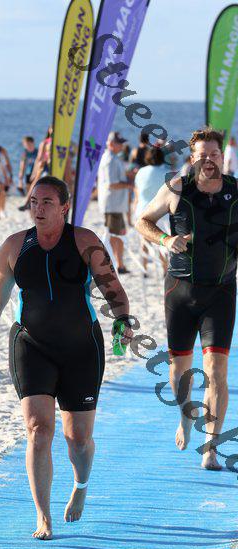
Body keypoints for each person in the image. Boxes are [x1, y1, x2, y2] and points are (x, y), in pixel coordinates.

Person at [0, 176, 132, 539]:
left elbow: (112, 287)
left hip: (82, 348)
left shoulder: (85, 241)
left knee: (78, 439)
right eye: (33, 202)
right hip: (31, 345)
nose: (38, 208)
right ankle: (43, 515)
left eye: (47, 202)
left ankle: (80, 484)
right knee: (38, 429)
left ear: (64, 207)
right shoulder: (15, 246)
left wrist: (123, 319)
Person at [135, 127, 238, 470]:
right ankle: (185, 417)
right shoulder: (176, 189)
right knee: (180, 371)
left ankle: (211, 446)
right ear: (192, 158)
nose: (209, 160)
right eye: (202, 155)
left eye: (214, 154)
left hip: (221, 292)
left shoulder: (236, 192)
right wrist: (165, 240)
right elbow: (143, 221)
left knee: (217, 370)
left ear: (222, 156)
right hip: (179, 291)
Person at [98, 131, 134, 274]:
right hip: (112, 204)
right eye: (119, 143)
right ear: (111, 144)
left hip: (115, 205)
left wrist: (127, 178)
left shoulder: (113, 158)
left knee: (118, 234)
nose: (122, 146)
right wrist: (129, 184)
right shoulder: (110, 160)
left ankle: (119, 264)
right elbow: (111, 184)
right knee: (113, 235)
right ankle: (114, 264)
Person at [133, 146, 171, 276]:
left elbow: (137, 193)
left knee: (144, 241)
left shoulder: (140, 172)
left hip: (142, 210)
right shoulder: (167, 172)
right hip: (161, 212)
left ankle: (144, 269)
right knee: (162, 241)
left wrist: (134, 208)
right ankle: (165, 270)